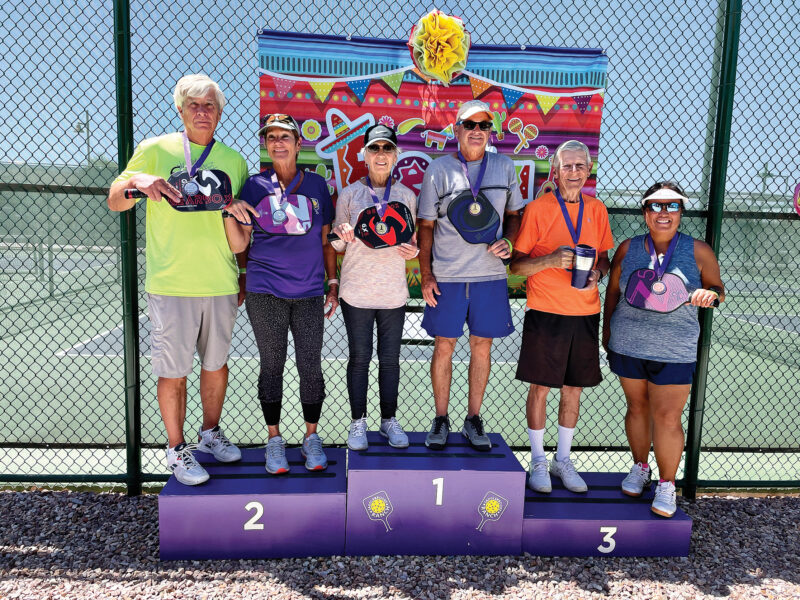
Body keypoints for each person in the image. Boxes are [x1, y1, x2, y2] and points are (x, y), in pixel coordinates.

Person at [107, 74, 247, 485]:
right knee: (174, 372)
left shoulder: (235, 161)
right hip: (171, 284)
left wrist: (241, 274)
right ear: (181, 110)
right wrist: (136, 181)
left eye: (209, 106)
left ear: (219, 113)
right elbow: (115, 200)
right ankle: (176, 449)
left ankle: (210, 434)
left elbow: (239, 225)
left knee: (216, 366)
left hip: (220, 282)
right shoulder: (154, 150)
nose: (202, 112)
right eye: (194, 105)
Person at [224, 113, 338, 475]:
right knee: (271, 364)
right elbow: (242, 240)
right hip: (265, 290)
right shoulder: (254, 185)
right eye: (271, 137)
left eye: (284, 136)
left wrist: (332, 283)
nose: (277, 143)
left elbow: (327, 240)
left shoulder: (317, 185)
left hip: (308, 292)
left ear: (298, 144)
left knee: (310, 366)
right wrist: (243, 275)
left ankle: (311, 437)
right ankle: (274, 439)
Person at [603, 181, 724, 517]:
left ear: (681, 212)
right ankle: (640, 467)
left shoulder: (698, 251)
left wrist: (710, 295)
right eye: (656, 206)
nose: (664, 213)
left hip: (675, 350)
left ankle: (667, 484)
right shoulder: (628, 248)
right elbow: (613, 292)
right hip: (628, 344)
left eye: (672, 206)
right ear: (645, 212)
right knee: (636, 408)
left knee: (668, 418)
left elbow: (717, 288)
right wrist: (607, 330)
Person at [417, 99, 523, 451]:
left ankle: (473, 418)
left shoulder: (505, 166)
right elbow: (426, 226)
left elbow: (514, 215)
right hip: (447, 276)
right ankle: (441, 418)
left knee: (482, 346)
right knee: (444, 346)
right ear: (456, 129)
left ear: (491, 131)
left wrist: (509, 240)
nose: (477, 131)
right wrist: (427, 275)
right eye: (470, 124)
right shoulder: (439, 169)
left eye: (484, 125)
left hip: (489, 276)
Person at [510, 139, 613, 494]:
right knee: (540, 387)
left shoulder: (597, 209)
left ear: (588, 170)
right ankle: (538, 459)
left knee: (573, 389)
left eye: (579, 166)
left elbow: (604, 258)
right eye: (567, 166)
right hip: (546, 312)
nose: (573, 172)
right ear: (555, 170)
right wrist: (551, 260)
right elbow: (516, 266)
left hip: (585, 312)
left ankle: (563, 459)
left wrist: (598, 273)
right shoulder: (538, 209)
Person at [330, 124, 419, 450]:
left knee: (390, 360)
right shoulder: (349, 194)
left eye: (387, 148)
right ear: (364, 155)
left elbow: (412, 242)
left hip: (393, 292)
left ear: (395, 155)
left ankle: (388, 420)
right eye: (374, 148)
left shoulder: (406, 196)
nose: (381, 154)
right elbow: (337, 245)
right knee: (360, 358)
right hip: (357, 291)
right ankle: (358, 423)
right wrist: (341, 233)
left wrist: (414, 252)